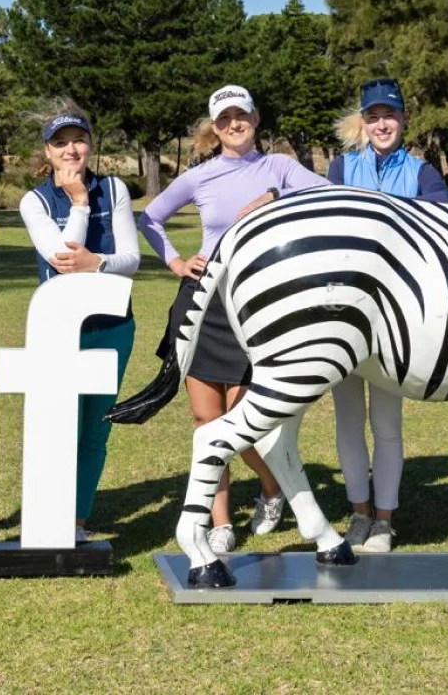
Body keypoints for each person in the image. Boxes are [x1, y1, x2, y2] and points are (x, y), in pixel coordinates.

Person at [137, 84, 329, 555]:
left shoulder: (279, 167)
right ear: (214, 127)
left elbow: (328, 195)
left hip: (257, 306)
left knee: (246, 423)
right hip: (203, 300)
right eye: (224, 119)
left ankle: (272, 489)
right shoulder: (200, 176)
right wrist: (176, 261)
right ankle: (220, 521)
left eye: (241, 115)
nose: (234, 124)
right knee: (207, 419)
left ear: (255, 119)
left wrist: (273, 197)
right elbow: (151, 218)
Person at [328, 77, 448, 553]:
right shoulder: (342, 167)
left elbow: (445, 230)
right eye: (374, 116)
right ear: (363, 122)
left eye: (390, 116)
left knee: (386, 424)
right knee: (347, 421)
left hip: (395, 321)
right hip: (343, 315)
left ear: (404, 120)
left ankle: (384, 520)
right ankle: (359, 513)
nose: (382, 124)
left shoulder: (423, 173)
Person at [19, 103, 140, 543]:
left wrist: (98, 263)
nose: (71, 150)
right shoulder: (33, 201)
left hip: (112, 325)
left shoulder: (114, 187)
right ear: (47, 152)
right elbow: (63, 259)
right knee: (58, 425)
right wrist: (80, 204)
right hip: (59, 328)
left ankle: (77, 522)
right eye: (60, 143)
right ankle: (50, 517)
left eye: (78, 140)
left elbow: (131, 260)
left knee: (94, 430)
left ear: (90, 144)